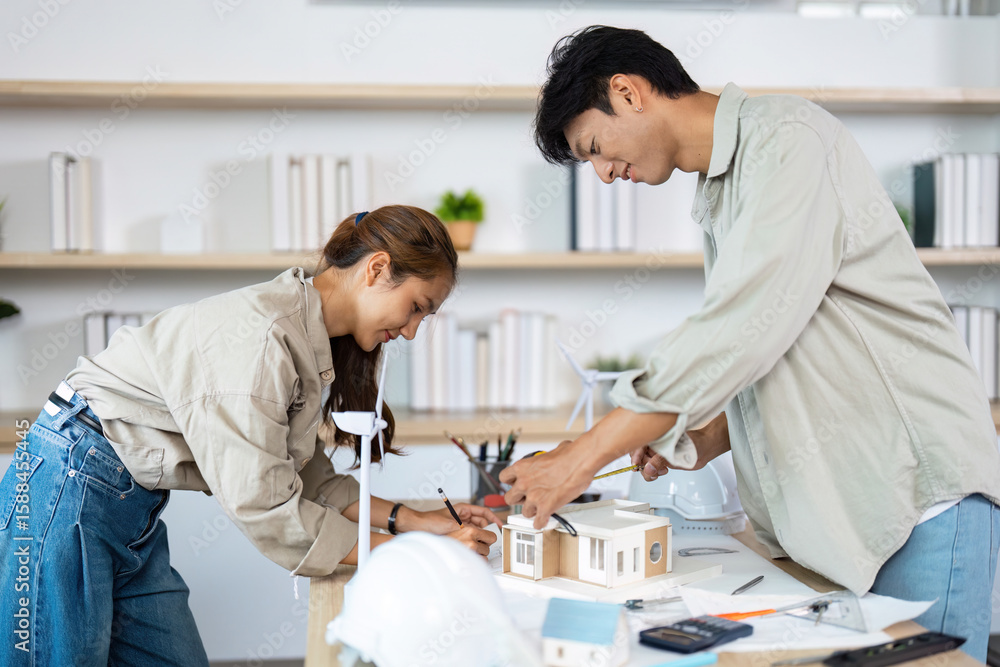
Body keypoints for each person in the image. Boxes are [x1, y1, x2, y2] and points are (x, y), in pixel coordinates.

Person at [500, 25, 1000, 661]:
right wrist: (703, 438)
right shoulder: (719, 191)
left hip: (917, 499)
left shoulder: (787, 140)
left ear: (627, 93)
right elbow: (782, 348)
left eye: (595, 148)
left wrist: (587, 456)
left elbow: (745, 327)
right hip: (847, 511)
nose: (601, 175)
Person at [0, 205, 499, 667]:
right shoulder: (265, 338)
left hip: (127, 504)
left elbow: (306, 472)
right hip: (69, 485)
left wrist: (412, 522)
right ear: (376, 269)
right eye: (416, 307)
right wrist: (411, 550)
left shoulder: (305, 331)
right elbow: (266, 506)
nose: (411, 332)